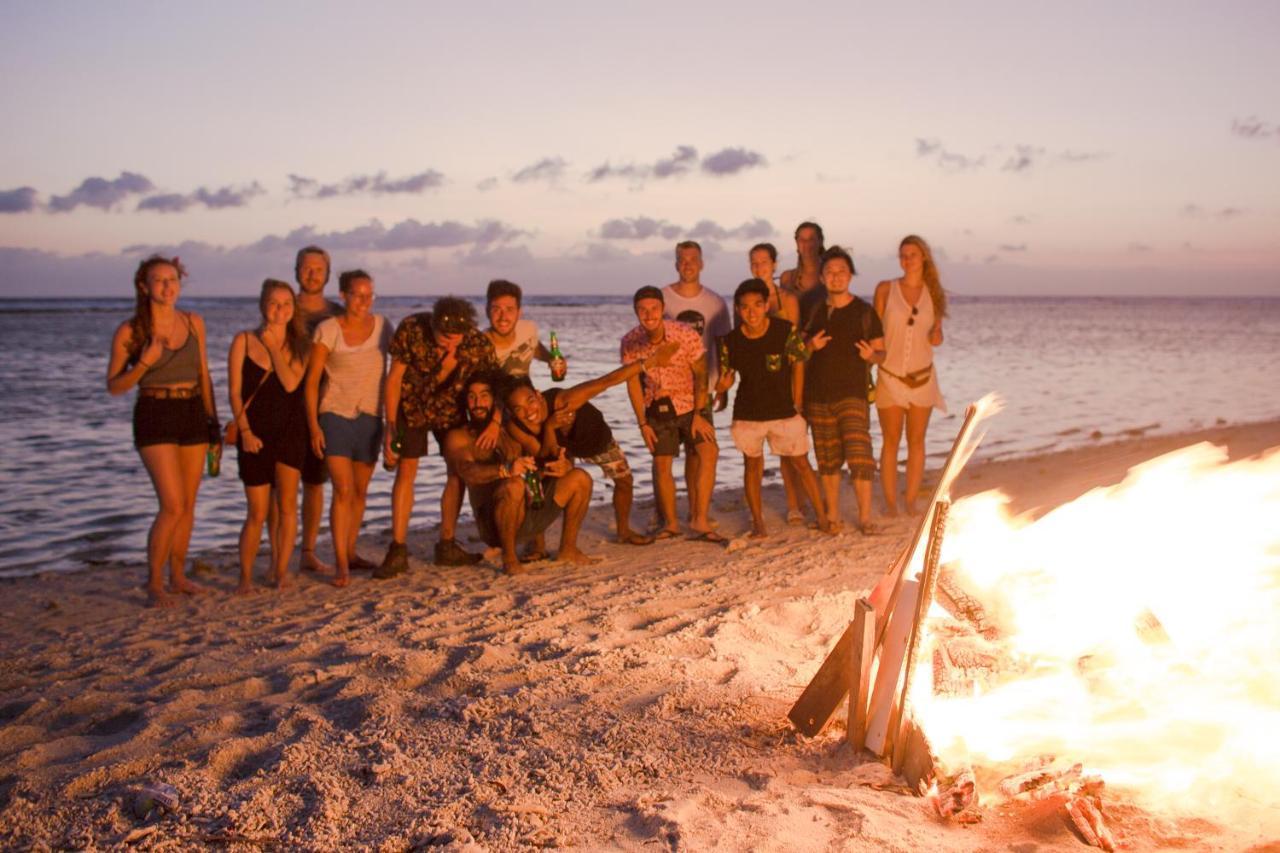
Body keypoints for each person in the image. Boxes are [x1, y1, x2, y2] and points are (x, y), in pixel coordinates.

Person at [106, 255, 219, 607]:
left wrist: (213, 424)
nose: (168, 287)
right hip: (154, 412)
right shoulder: (131, 331)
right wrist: (144, 362)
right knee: (170, 505)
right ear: (144, 286)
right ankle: (154, 583)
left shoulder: (193, 322)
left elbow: (203, 374)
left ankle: (178, 576)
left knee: (187, 505)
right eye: (159, 280)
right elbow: (114, 385)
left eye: (173, 279)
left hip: (192, 411)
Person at [502, 341, 679, 547]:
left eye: (530, 401)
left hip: (594, 438)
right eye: (518, 408)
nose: (528, 411)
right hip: (560, 447)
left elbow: (606, 381)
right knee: (542, 480)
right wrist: (550, 427)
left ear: (539, 395)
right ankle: (540, 543)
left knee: (624, 481)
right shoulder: (517, 427)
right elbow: (543, 455)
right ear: (512, 412)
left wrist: (649, 362)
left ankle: (623, 531)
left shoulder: (564, 401)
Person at [380, 296, 499, 577]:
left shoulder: (476, 343)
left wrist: (494, 421)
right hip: (412, 407)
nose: (451, 345)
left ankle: (447, 544)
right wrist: (390, 424)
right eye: (445, 338)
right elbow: (394, 378)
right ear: (433, 326)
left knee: (457, 470)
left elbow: (497, 384)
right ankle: (397, 548)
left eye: (457, 339)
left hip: (451, 409)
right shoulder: (412, 329)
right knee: (406, 470)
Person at [445, 372, 595, 575]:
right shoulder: (459, 436)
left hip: (530, 513)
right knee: (513, 485)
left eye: (484, 395)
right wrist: (506, 470)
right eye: (471, 397)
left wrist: (563, 465)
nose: (477, 402)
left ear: (496, 402)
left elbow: (543, 460)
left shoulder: (511, 431)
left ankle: (568, 549)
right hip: (494, 526)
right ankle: (510, 558)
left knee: (580, 477)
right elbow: (467, 473)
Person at [715, 279, 830, 537]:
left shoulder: (785, 330)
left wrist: (797, 401)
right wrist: (721, 388)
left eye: (757, 305)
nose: (751, 312)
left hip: (784, 410)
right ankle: (758, 523)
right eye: (744, 307)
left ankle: (823, 518)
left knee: (801, 462)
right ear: (737, 309)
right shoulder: (730, 341)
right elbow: (725, 379)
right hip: (747, 413)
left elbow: (799, 361)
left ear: (767, 305)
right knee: (752, 467)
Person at [305, 269, 392, 586]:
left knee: (360, 491)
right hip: (334, 415)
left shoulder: (383, 327)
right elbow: (312, 380)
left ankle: (351, 551)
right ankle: (341, 563)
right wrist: (314, 425)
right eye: (357, 294)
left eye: (369, 294)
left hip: (371, 416)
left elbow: (402, 365)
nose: (364, 301)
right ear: (343, 295)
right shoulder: (329, 329)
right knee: (342, 491)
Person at [621, 286, 723, 543]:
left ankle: (699, 518)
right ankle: (671, 523)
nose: (649, 314)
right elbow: (632, 383)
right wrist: (642, 422)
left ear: (662, 309)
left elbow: (700, 374)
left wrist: (700, 413)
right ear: (636, 312)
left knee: (708, 452)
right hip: (657, 406)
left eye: (654, 308)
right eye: (642, 309)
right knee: (661, 463)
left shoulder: (684, 334)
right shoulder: (630, 342)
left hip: (692, 404)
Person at [227, 280, 309, 593]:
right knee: (257, 512)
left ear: (294, 308)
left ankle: (279, 571)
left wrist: (274, 347)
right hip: (254, 434)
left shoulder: (301, 343)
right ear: (263, 305)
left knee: (288, 506)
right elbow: (234, 393)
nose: (280, 310)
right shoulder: (244, 340)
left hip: (290, 432)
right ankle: (245, 576)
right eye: (274, 303)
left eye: (286, 303)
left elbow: (290, 384)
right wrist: (245, 431)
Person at [800, 246, 886, 534]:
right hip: (818, 395)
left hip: (853, 394)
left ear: (850, 275)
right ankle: (833, 516)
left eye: (842, 272)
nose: (836, 277)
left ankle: (865, 518)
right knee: (827, 459)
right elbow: (798, 352)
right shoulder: (813, 311)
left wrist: (870, 358)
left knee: (860, 456)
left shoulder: (864, 311)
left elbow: (881, 354)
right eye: (830, 272)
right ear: (823, 278)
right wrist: (811, 347)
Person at [873, 235, 948, 516]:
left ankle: (911, 501)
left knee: (917, 441)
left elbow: (936, 338)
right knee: (890, 441)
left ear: (923, 257)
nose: (907, 259)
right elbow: (873, 330)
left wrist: (937, 334)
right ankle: (891, 503)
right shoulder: (885, 289)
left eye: (912, 254)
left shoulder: (935, 293)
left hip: (923, 377)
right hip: (889, 376)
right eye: (903, 255)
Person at [661, 241, 730, 530]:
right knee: (663, 456)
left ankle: (696, 512)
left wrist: (725, 382)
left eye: (693, 259)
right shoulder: (662, 298)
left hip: (701, 389)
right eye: (682, 259)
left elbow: (723, 344)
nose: (687, 264)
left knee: (700, 451)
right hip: (667, 390)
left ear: (702, 264)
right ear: (676, 264)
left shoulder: (714, 302)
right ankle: (667, 518)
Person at [746, 241, 805, 525]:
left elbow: (797, 349)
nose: (759, 268)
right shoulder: (745, 300)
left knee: (789, 451)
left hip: (784, 381)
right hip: (756, 383)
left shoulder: (787, 299)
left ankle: (795, 504)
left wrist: (797, 392)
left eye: (764, 263)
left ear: (774, 265)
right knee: (753, 454)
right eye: (754, 263)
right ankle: (756, 514)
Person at [294, 245, 344, 575]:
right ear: (296, 270)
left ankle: (308, 551)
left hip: (325, 403)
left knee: (315, 482)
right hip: (284, 402)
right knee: (276, 486)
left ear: (327, 274)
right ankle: (276, 549)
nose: (312, 274)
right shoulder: (283, 306)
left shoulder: (336, 313)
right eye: (307, 268)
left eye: (319, 269)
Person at [484, 279, 565, 379]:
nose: (503, 317)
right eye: (496, 309)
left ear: (519, 312)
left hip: (529, 392)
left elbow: (533, 347)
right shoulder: (479, 348)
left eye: (509, 309)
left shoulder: (528, 329)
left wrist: (550, 358)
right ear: (487, 311)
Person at [780, 221, 826, 301]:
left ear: (820, 242)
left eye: (811, 239)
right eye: (801, 239)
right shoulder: (787, 278)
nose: (806, 243)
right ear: (796, 243)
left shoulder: (830, 275)